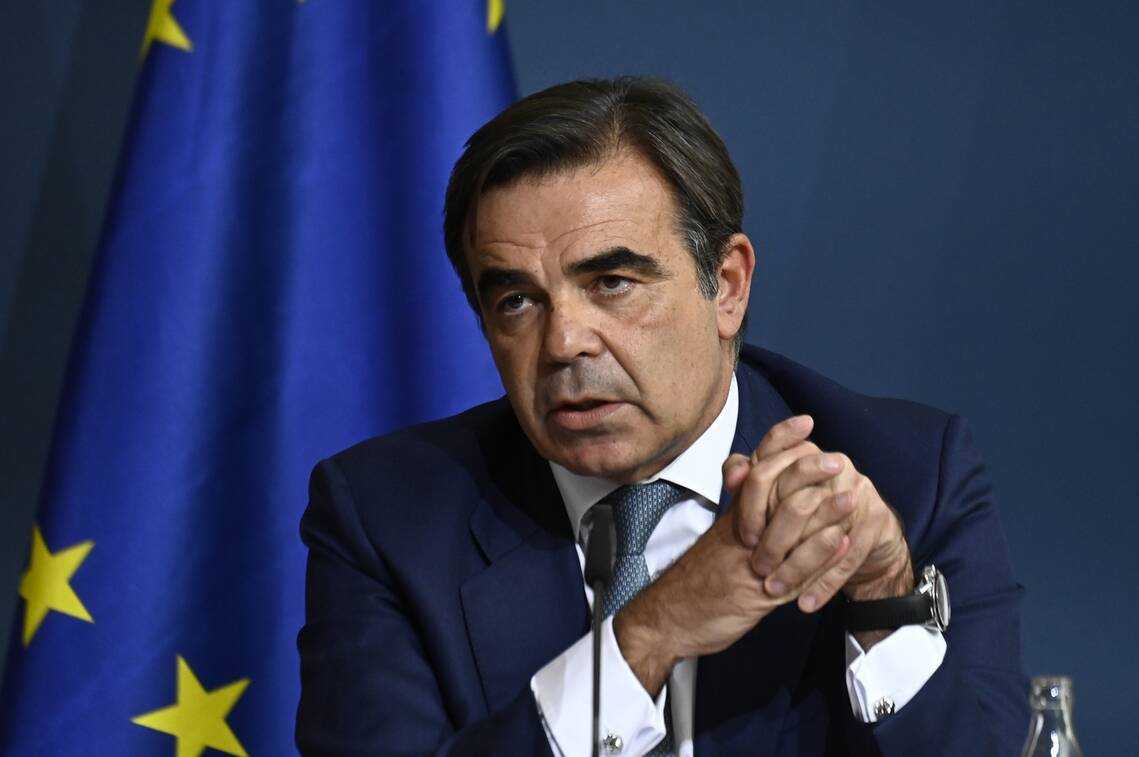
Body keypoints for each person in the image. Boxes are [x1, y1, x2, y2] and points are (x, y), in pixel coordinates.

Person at [296, 77, 1027, 756]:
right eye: (517, 301)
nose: (563, 343)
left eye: (612, 282)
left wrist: (886, 597)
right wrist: (648, 635)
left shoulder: (904, 477)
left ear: (727, 286)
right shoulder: (391, 518)